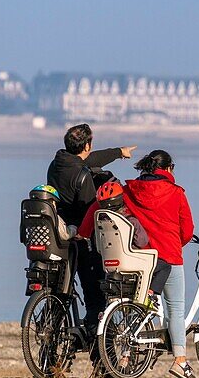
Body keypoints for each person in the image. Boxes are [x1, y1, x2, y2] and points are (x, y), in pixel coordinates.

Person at [46, 124, 136, 359]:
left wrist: (119, 152)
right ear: (86, 145)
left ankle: (49, 359)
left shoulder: (57, 163)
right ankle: (102, 362)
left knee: (59, 294)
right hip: (80, 240)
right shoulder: (82, 175)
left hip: (60, 236)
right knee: (95, 297)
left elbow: (87, 159)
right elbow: (89, 212)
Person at [120, 149, 195, 378]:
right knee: (175, 308)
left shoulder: (130, 190)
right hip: (169, 256)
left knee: (137, 305)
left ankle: (124, 356)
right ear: (169, 168)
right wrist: (175, 244)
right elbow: (188, 230)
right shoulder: (176, 193)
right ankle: (180, 361)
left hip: (139, 258)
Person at [78, 181, 171, 303]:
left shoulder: (101, 221)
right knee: (165, 266)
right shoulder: (130, 220)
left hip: (108, 264)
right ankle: (150, 293)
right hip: (131, 261)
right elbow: (142, 242)